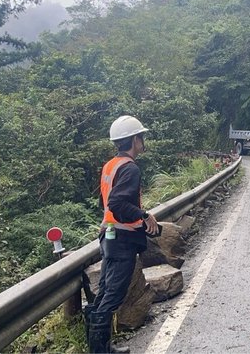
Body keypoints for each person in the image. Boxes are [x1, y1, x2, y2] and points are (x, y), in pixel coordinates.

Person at [86, 116, 159, 353]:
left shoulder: (110, 165)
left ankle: (102, 348)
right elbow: (117, 203)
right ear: (135, 140)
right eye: (141, 137)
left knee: (106, 291)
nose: (143, 141)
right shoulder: (130, 168)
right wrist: (144, 215)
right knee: (113, 296)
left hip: (108, 235)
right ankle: (100, 351)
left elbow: (105, 202)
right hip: (122, 240)